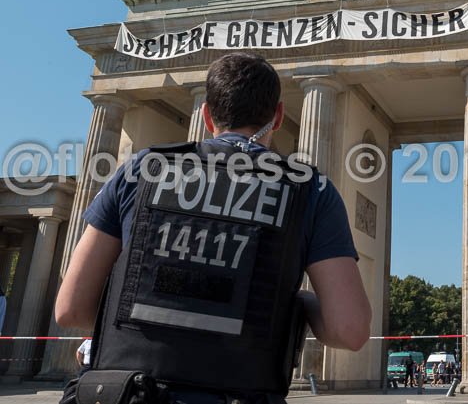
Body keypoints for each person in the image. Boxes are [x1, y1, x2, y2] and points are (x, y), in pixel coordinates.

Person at [55, 53, 371, 404]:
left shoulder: (140, 170)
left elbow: (70, 310)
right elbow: (350, 330)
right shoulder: (312, 190)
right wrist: (297, 303)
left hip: (132, 393)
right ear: (278, 116)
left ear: (206, 115)